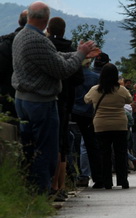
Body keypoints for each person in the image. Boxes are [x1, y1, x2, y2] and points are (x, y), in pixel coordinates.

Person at [12, 1, 97, 194]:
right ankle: (42, 189)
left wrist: (77, 53)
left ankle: (32, 188)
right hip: (40, 102)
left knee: (29, 147)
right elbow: (62, 69)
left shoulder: (22, 36)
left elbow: (55, 56)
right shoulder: (37, 40)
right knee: (46, 149)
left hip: (23, 99)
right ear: (46, 20)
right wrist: (81, 55)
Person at [47, 16, 85, 200]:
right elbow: (79, 79)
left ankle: (50, 185)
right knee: (62, 143)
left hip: (46, 99)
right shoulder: (71, 50)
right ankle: (60, 186)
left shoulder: (46, 47)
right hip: (66, 101)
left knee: (50, 141)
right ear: (63, 30)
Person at [85, 63, 132, 189]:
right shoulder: (122, 90)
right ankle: (123, 180)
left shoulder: (95, 90)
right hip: (120, 124)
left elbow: (86, 100)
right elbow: (129, 100)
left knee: (104, 154)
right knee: (121, 153)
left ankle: (107, 182)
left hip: (101, 125)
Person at [71, 59, 104, 188]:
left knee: (74, 146)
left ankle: (77, 175)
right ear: (88, 63)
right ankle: (98, 177)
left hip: (74, 113)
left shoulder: (72, 77)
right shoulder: (95, 78)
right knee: (92, 146)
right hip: (90, 114)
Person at [0, 9, 27, 118]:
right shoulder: (40, 43)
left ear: (19, 21)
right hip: (31, 98)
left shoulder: (6, 43)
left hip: (7, 95)